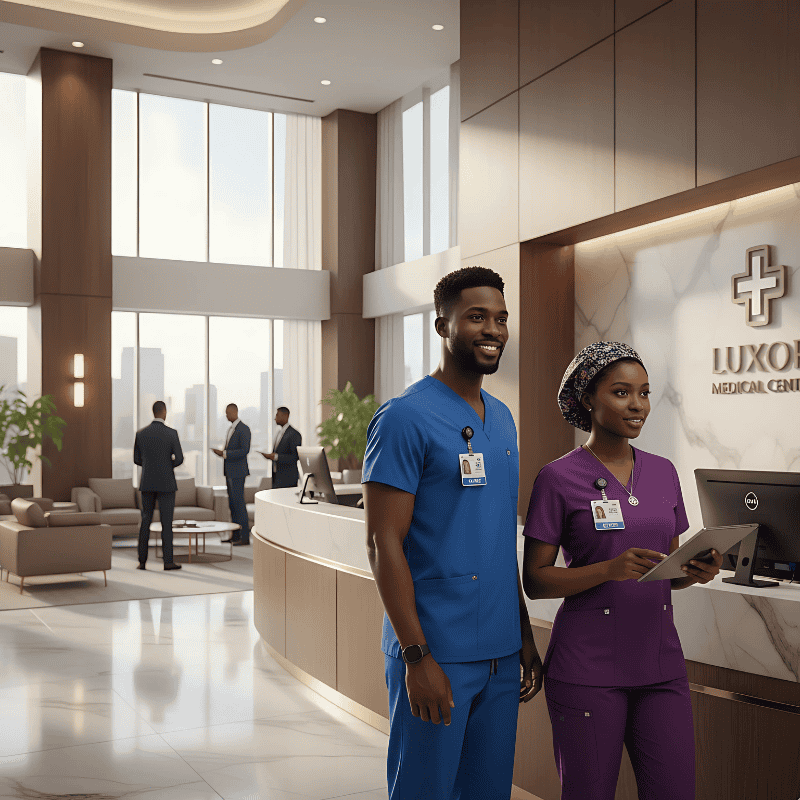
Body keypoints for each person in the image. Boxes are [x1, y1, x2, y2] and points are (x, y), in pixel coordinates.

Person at [363, 266, 542, 800]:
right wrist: (417, 658)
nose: (493, 330)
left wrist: (524, 635)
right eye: (477, 317)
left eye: (501, 318)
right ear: (443, 326)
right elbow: (381, 544)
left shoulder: (503, 419)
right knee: (424, 791)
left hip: (500, 652)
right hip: (436, 651)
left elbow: (495, 537)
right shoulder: (404, 418)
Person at [521, 341, 723, 800]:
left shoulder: (664, 472)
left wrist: (695, 571)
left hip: (660, 663)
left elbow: (667, 569)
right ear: (588, 398)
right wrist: (607, 569)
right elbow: (535, 580)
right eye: (621, 392)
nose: (638, 405)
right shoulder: (557, 478)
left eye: (645, 392)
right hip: (587, 668)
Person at [133, 400, 184, 571]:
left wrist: (150, 466)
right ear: (164, 412)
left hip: (147, 483)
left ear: (153, 412)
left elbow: (136, 459)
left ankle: (142, 562)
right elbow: (180, 458)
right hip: (166, 484)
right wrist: (166, 466)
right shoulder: (172, 433)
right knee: (166, 524)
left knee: (145, 521)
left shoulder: (141, 434)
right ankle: (168, 562)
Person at [212, 403, 251, 546]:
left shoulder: (244, 429)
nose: (226, 415)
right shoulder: (230, 429)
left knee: (239, 504)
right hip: (229, 472)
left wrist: (225, 454)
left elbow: (244, 450)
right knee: (233, 505)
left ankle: (244, 537)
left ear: (235, 412)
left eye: (228, 413)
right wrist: (223, 453)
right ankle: (235, 536)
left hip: (238, 473)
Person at [260, 406, 302, 489]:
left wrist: (276, 457)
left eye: (277, 415)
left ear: (285, 416)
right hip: (277, 476)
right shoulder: (279, 433)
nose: (275, 418)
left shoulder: (294, 434)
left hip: (288, 478)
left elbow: (295, 457)